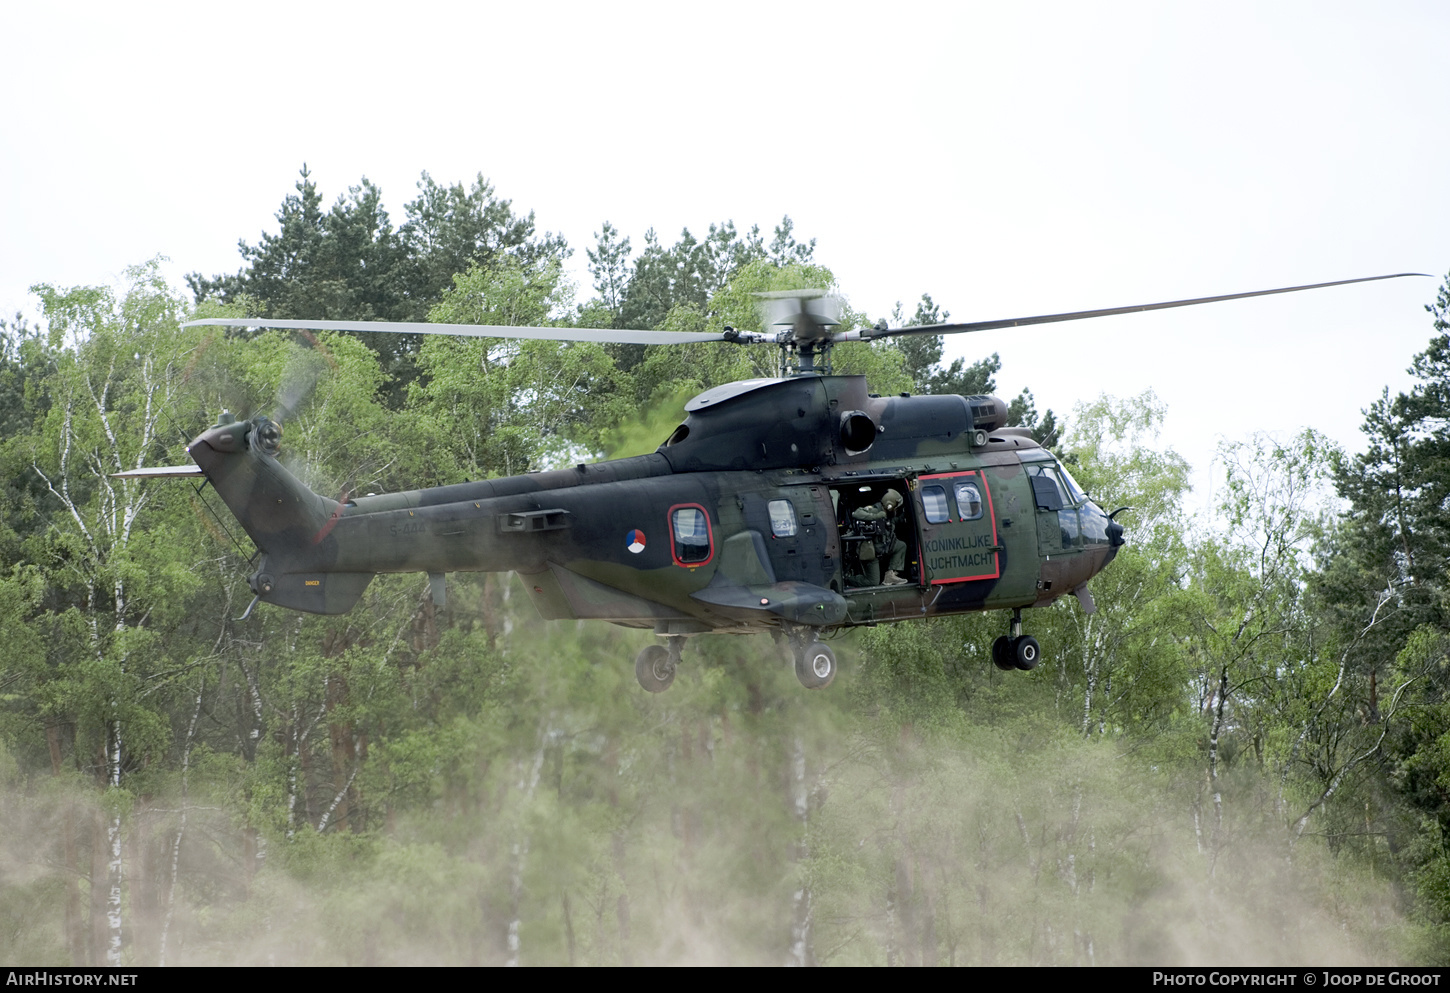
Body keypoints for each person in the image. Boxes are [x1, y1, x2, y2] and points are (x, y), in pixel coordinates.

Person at [851, 489, 909, 586]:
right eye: (895, 507)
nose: (896, 509)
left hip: (883, 547)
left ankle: (890, 575)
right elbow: (856, 513)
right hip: (872, 552)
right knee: (872, 582)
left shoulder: (888, 514)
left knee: (901, 546)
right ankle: (848, 579)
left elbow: (891, 522)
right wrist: (876, 516)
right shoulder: (875, 510)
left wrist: (904, 516)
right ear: (889, 505)